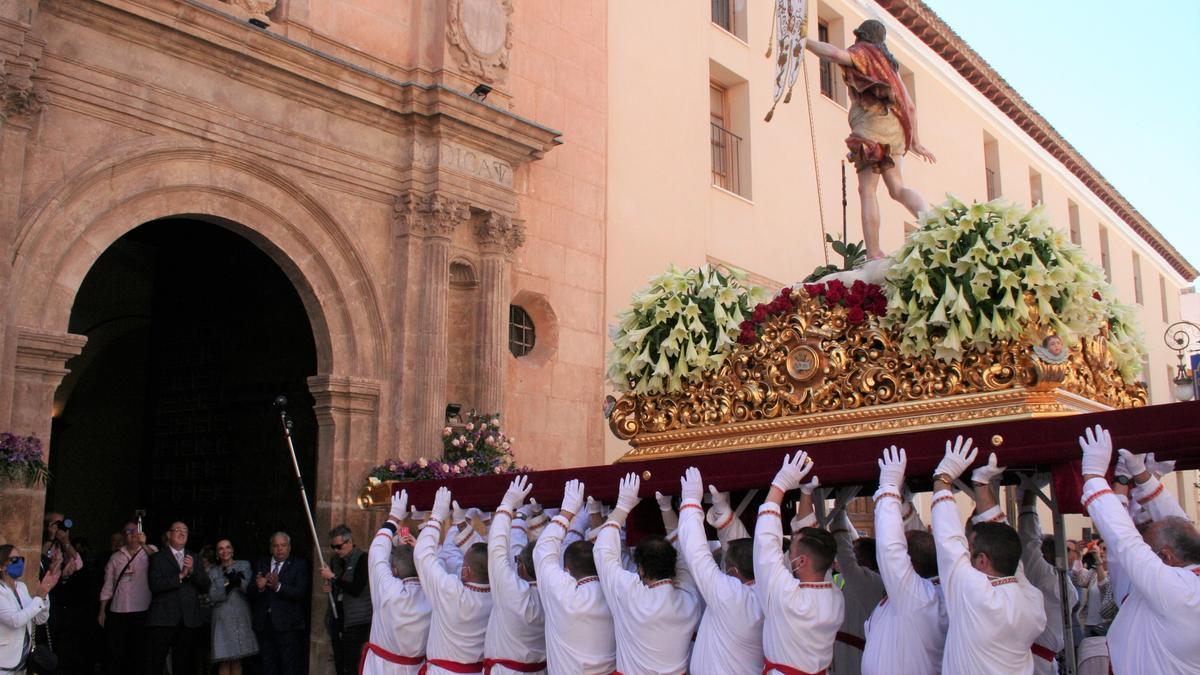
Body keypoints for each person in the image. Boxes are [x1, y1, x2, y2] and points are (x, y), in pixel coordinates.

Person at [804, 19, 935, 261]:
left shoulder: (863, 53)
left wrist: (803, 42)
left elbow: (833, 54)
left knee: (867, 189)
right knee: (897, 188)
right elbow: (911, 107)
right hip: (895, 130)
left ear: (862, 36)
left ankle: (874, 251)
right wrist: (916, 141)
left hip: (871, 128)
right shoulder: (890, 66)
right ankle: (929, 219)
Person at [1077, 424, 1200, 674]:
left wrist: (1094, 476)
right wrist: (1141, 475)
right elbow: (1181, 528)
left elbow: (1126, 543)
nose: (1144, 552)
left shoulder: (1179, 591)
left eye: (1149, 550)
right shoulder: (1186, 582)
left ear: (1166, 557)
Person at [931, 436, 1045, 674]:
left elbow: (949, 540)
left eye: (969, 551)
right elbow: (1003, 543)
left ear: (982, 560)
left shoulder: (975, 594)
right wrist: (981, 483)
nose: (966, 554)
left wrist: (943, 478)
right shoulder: (1031, 601)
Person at [594, 472, 701, 674]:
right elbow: (685, 560)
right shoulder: (689, 600)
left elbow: (602, 551)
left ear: (641, 569)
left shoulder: (630, 595)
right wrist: (666, 508)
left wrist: (623, 506)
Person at [755, 451, 844, 674]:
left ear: (801, 561)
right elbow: (813, 543)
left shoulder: (788, 597)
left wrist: (780, 484)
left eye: (790, 550)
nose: (787, 554)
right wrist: (806, 494)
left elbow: (765, 544)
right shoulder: (834, 595)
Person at [861, 446, 947, 675]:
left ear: (912, 567)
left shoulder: (919, 599)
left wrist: (888, 489)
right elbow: (919, 545)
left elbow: (892, 550)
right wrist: (903, 502)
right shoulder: (932, 590)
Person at [677, 467, 763, 675]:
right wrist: (721, 509)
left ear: (732, 573)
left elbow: (697, 554)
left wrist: (690, 501)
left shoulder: (730, 596)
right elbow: (746, 550)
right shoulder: (771, 590)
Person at [533, 480, 616, 674]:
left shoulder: (563, 594)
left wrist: (567, 511)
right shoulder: (618, 590)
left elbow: (543, 551)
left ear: (567, 570)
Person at [414, 486, 493, 674]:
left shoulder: (451, 590)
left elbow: (423, 556)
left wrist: (436, 518)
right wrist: (462, 523)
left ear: (465, 571)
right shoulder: (500, 595)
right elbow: (487, 558)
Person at [361, 490, 430, 674]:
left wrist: (394, 517)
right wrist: (425, 526)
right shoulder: (434, 593)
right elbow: (437, 563)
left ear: (394, 570)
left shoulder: (388, 589)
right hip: (415, 668)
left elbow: (376, 553)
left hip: (381, 668)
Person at [1015, 476, 1078, 674]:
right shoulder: (1049, 577)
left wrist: (1029, 496)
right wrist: (1028, 494)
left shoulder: (1050, 577)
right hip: (1038, 659)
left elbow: (1029, 540)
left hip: (1042, 660)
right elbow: (1030, 540)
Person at [485, 476, 547, 674]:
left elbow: (497, 550)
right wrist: (529, 515)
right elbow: (544, 553)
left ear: (520, 567)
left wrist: (507, 505)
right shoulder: (556, 591)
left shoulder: (513, 592)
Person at [826, 488, 885, 675]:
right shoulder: (869, 580)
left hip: (855, 654)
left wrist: (839, 511)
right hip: (845, 650)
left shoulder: (870, 583)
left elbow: (844, 552)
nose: (852, 558)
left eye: (856, 554)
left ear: (865, 560)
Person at [147, 521, 212, 675]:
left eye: (185, 531)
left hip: (188, 619)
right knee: (156, 661)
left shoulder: (194, 557)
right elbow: (154, 585)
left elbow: (205, 585)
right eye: (178, 530)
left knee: (183, 664)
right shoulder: (157, 557)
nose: (182, 533)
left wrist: (191, 573)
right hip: (163, 618)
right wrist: (181, 575)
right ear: (168, 535)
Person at [98, 521, 157, 675]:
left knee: (138, 653)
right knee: (115, 652)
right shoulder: (115, 557)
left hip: (142, 609)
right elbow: (107, 585)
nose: (132, 534)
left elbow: (159, 564)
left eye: (135, 530)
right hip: (118, 609)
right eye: (128, 531)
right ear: (123, 536)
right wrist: (102, 611)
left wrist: (144, 545)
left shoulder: (150, 550)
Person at [247, 532, 309, 675]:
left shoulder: (299, 564)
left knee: (288, 666)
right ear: (270, 548)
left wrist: (278, 587)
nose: (279, 549)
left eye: (283, 545)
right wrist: (259, 587)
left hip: (288, 626)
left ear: (289, 547)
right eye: (276, 546)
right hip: (264, 625)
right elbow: (250, 592)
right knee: (268, 665)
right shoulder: (262, 563)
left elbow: (300, 592)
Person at [0, 543, 59, 673]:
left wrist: (44, 595)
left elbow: (40, 619)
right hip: (4, 663)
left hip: (23, 662)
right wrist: (39, 597)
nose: (19, 563)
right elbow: (15, 620)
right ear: (2, 566)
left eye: (21, 559)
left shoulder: (22, 587)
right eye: (14, 560)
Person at [321, 525, 371, 675]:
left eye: (339, 546)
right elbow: (338, 585)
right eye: (333, 547)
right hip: (339, 616)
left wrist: (333, 578)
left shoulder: (363, 558)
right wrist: (331, 587)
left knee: (353, 662)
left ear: (349, 542)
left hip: (358, 620)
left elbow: (356, 588)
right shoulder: (335, 560)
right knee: (339, 660)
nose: (336, 550)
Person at [207, 539, 257, 675]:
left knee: (237, 658)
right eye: (221, 549)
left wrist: (238, 582)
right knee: (224, 659)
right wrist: (228, 586)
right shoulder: (213, 571)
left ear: (233, 550)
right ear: (217, 553)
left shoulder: (244, 565)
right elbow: (213, 597)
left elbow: (250, 589)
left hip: (239, 615)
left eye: (227, 547)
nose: (225, 551)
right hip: (222, 618)